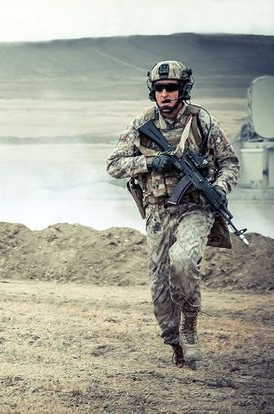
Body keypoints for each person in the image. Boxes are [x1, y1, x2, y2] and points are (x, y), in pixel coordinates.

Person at [106, 61, 240, 369]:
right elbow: (114, 165)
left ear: (183, 90)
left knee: (183, 260)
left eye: (172, 88)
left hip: (195, 208)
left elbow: (229, 163)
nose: (165, 94)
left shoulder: (201, 120)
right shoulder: (142, 123)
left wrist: (220, 187)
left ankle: (189, 323)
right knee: (160, 288)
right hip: (158, 211)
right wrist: (150, 163)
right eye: (160, 89)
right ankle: (175, 343)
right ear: (153, 92)